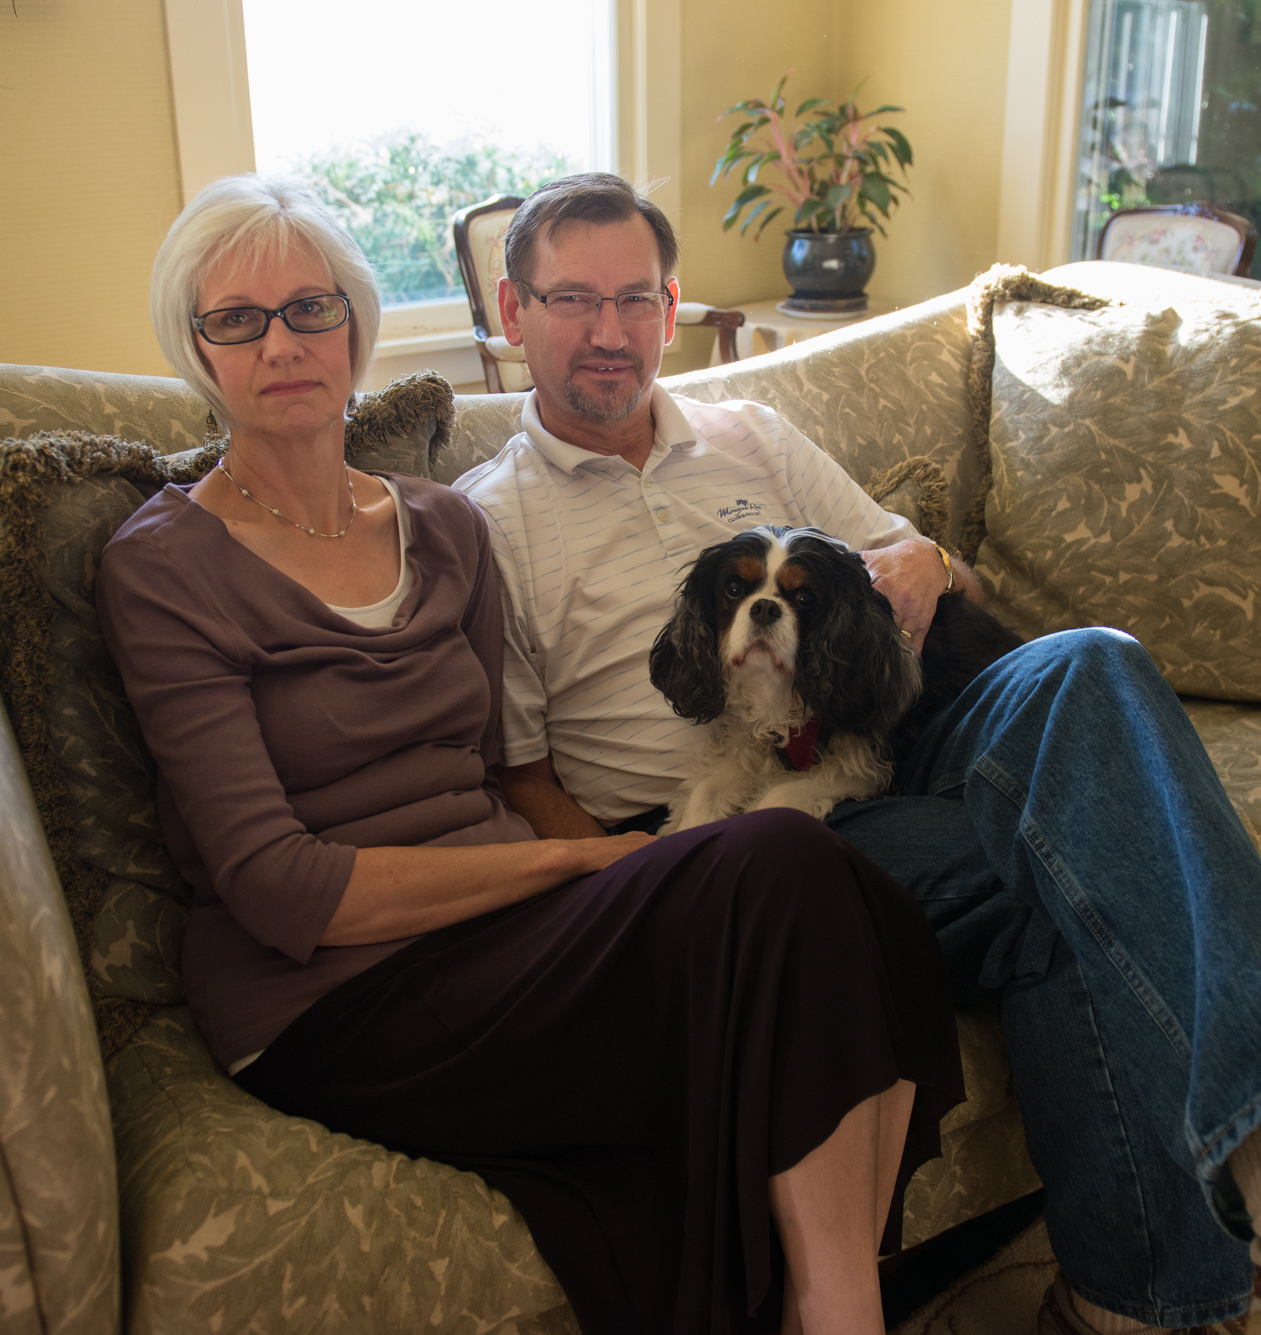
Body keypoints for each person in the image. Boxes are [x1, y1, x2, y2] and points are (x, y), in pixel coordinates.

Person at [453, 172, 1261, 1335]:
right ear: (513, 313)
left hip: (890, 745)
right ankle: (1251, 1247)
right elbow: (519, 774)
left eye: (633, 299)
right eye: (572, 300)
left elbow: (922, 568)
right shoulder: (482, 522)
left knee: (1090, 662)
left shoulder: (750, 434)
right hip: (730, 841)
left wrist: (925, 559)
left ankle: (1204, 1263)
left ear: (671, 310)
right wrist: (632, 900)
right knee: (1085, 861)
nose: (608, 332)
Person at [93, 173, 967, 1335]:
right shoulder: (162, 565)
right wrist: (583, 867)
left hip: (509, 938)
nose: (282, 343)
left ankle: (834, 1303)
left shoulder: (443, 527)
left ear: (355, 326)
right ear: (194, 349)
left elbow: (490, 764)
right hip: (335, 994)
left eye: (311, 309)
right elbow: (277, 885)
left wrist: (592, 886)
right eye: (236, 319)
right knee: (774, 867)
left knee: (830, 887)